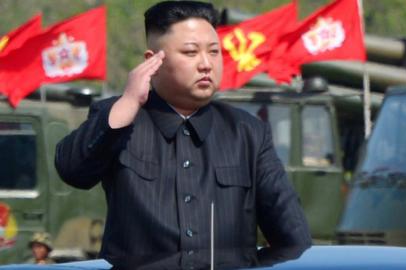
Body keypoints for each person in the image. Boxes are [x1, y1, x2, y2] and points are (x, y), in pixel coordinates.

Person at [55, 1, 311, 261]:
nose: (206, 64)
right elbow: (73, 170)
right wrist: (129, 102)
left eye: (214, 52)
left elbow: (294, 241)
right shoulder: (121, 118)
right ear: (152, 61)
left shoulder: (248, 133)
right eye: (190, 52)